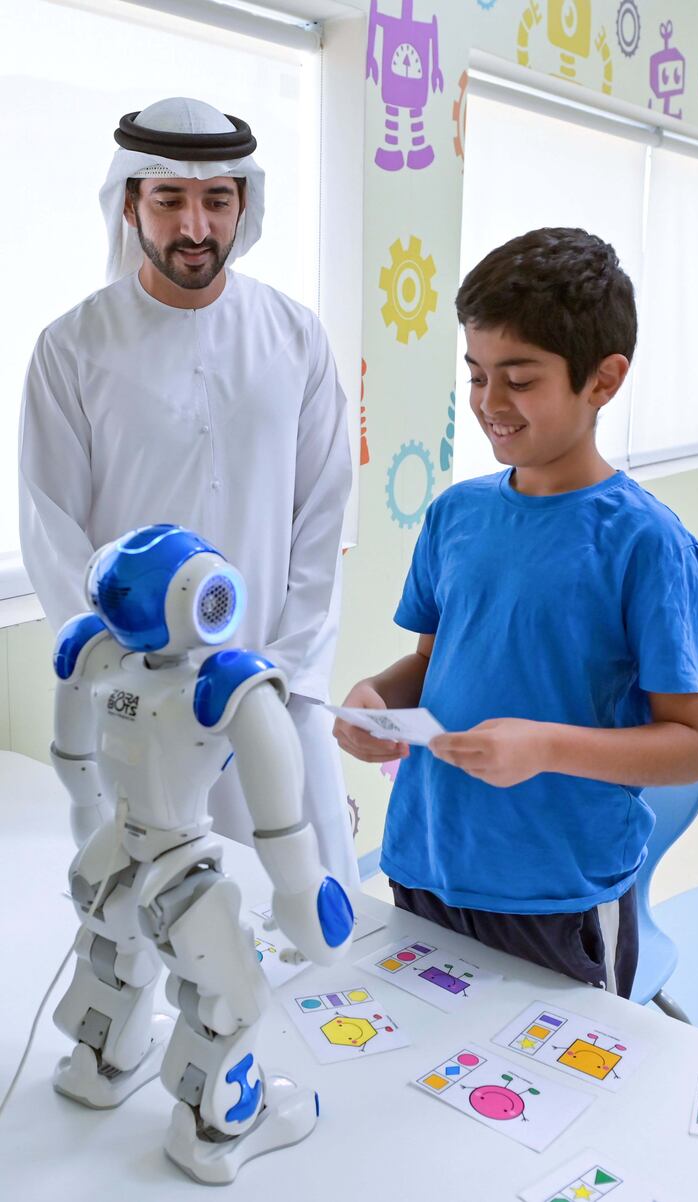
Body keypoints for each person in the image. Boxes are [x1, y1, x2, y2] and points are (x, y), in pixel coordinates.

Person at [333, 227, 698, 997]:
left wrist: (545, 746)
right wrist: (375, 698)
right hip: (424, 864)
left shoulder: (648, 546)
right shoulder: (455, 515)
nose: (488, 403)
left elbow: (690, 746)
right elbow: (430, 662)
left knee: (549, 1104)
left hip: (556, 896)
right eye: (476, 374)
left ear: (602, 381)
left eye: (519, 378)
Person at [19, 97, 357, 885]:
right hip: (141, 713)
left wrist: (284, 671)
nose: (195, 227)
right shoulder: (73, 349)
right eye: (169, 199)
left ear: (246, 204)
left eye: (217, 199)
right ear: (131, 202)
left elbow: (321, 517)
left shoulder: (296, 337)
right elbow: (54, 531)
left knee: (306, 928)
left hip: (275, 696)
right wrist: (126, 677)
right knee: (153, 933)